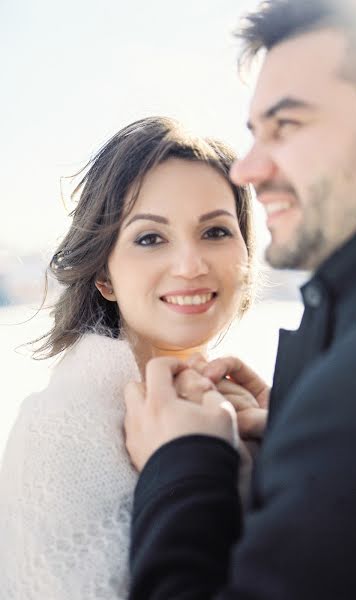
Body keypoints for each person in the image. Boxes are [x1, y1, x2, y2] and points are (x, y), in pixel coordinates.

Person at [124, 1, 356, 598]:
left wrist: (186, 465)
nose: (247, 169)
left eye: (287, 125)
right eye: (253, 133)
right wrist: (299, 446)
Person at [0, 116, 263, 599]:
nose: (190, 264)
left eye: (216, 232)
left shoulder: (248, 410)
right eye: (150, 238)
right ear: (104, 277)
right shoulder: (59, 430)